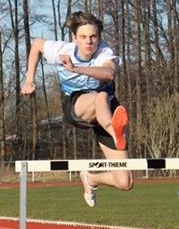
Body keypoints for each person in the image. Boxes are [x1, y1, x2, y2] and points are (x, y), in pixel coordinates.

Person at [21, 11, 133, 207]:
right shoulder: (62, 50)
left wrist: (76, 69)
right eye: (83, 37)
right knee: (100, 96)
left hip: (107, 110)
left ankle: (91, 179)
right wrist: (29, 79)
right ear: (74, 38)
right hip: (78, 104)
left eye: (93, 37)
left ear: (99, 38)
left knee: (125, 182)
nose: (89, 42)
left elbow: (109, 73)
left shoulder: (105, 52)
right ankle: (115, 132)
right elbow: (37, 45)